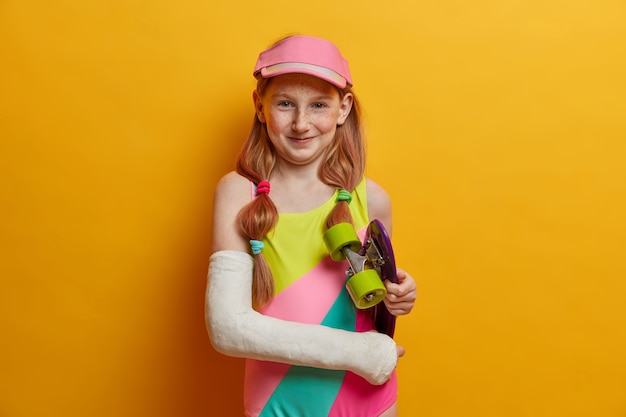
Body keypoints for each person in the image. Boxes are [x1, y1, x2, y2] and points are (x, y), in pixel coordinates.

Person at [206, 35, 417, 417]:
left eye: (319, 105)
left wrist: (397, 295)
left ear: (343, 108)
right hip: (278, 399)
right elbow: (226, 327)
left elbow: (375, 297)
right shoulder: (238, 193)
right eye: (285, 104)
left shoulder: (371, 199)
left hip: (367, 396)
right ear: (260, 106)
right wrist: (358, 352)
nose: (301, 124)